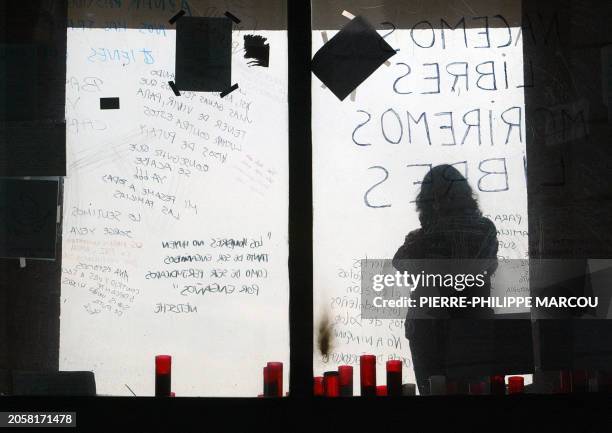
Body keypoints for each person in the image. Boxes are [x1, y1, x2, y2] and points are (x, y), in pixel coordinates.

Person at [392, 164, 499, 394]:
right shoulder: (486, 230)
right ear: (465, 194)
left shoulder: (423, 237)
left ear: (427, 201)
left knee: (434, 392)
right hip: (475, 324)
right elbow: (490, 267)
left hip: (429, 326)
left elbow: (400, 261)